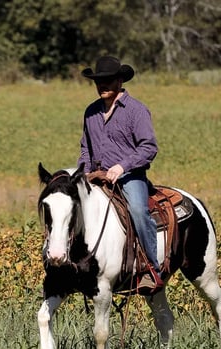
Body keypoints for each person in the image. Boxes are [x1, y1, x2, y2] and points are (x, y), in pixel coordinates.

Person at [78, 55, 163, 294]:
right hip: (96, 175)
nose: (102, 85)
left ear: (119, 81)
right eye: (98, 81)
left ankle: (150, 269)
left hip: (129, 176)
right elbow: (85, 147)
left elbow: (148, 147)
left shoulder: (136, 111)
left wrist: (121, 167)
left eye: (107, 80)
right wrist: (84, 171)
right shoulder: (91, 112)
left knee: (137, 210)